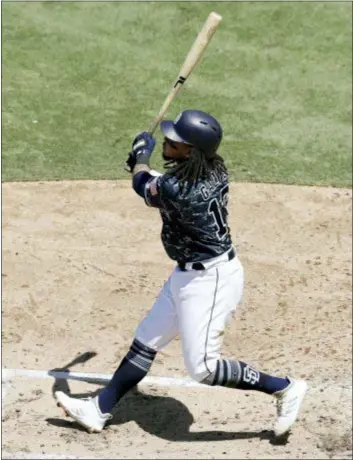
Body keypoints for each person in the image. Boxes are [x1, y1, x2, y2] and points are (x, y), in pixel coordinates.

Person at [55, 109, 307, 435]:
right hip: (190, 274)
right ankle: (98, 409)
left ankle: (284, 388)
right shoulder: (214, 168)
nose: (168, 140)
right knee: (147, 339)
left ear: (191, 152)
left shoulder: (179, 190)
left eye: (176, 141)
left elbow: (145, 187)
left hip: (210, 280)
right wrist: (142, 164)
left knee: (202, 368)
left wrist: (141, 157)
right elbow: (161, 180)